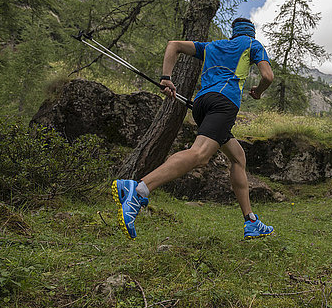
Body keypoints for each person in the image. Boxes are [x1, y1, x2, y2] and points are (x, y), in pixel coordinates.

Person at [112, 17, 275, 240]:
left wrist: (166, 78)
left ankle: (251, 221)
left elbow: (174, 45)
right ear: (251, 34)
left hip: (201, 104)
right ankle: (139, 190)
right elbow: (268, 76)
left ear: (233, 33)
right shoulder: (251, 45)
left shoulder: (212, 46)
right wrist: (259, 91)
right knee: (199, 155)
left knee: (238, 158)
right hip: (223, 103)